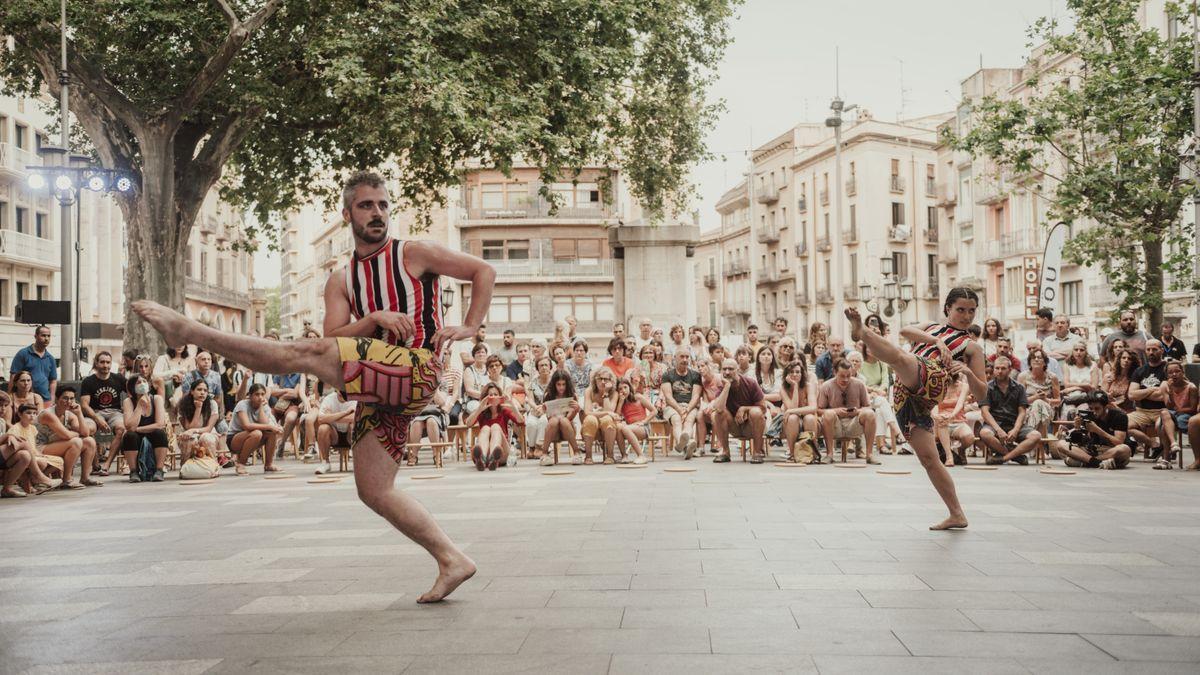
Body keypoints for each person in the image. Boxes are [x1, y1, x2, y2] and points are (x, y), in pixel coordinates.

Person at [845, 289, 987, 531]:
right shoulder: (931, 328)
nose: (966, 316)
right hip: (906, 397)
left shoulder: (972, 348)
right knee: (930, 460)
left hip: (932, 379)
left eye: (971, 310)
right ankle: (957, 514)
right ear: (948, 309)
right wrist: (935, 341)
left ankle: (863, 333)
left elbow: (983, 393)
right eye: (960, 310)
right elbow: (904, 331)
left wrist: (968, 373)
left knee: (901, 358)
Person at [979, 357, 1042, 465]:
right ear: (993, 369)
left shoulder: (1019, 387)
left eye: (1003, 368)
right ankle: (1016, 456)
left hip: (1014, 423)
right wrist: (998, 430)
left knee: (1036, 436)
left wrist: (1016, 430)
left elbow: (1022, 412)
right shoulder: (987, 387)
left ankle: (1004, 458)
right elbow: (985, 412)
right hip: (995, 424)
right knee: (984, 433)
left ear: (1010, 369)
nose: (999, 371)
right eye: (997, 368)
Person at [36, 387, 100, 489]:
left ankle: (85, 478)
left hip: (56, 445)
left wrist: (79, 413)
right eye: (65, 398)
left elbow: (85, 433)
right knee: (76, 442)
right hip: (40, 448)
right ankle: (67, 480)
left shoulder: (69, 414)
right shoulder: (48, 414)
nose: (69, 401)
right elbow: (66, 435)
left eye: (72, 398)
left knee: (89, 441)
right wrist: (76, 433)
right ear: (57, 399)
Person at [818, 358, 878, 465]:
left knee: (870, 414)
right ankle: (829, 454)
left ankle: (869, 455)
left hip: (854, 424)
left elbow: (868, 407)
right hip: (835, 425)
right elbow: (819, 410)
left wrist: (857, 411)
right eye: (842, 376)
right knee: (828, 414)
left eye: (848, 376)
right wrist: (836, 411)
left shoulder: (859, 384)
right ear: (835, 372)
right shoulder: (826, 386)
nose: (845, 379)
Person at [1050, 391, 1131, 469]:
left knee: (1124, 449)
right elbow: (1081, 441)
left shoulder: (1119, 416)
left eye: (1097, 408)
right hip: (1092, 450)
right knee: (1061, 444)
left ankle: (1085, 462)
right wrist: (1077, 429)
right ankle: (1098, 463)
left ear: (1106, 407)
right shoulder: (1088, 415)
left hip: (1110, 450)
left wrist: (1098, 431)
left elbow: (1119, 442)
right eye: (1091, 408)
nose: (1094, 412)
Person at [711, 358, 769, 463]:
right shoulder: (722, 386)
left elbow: (763, 408)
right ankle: (725, 452)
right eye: (724, 369)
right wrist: (727, 387)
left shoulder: (750, 383)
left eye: (731, 369)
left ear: (737, 370)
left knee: (755, 412)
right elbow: (718, 409)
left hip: (752, 425)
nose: (727, 372)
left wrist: (744, 408)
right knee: (718, 414)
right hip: (735, 425)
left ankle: (757, 453)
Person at [80, 351, 127, 476]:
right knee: (87, 430)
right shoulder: (88, 381)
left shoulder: (118, 378)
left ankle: (106, 465)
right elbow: (84, 405)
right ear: (96, 363)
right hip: (95, 412)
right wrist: (97, 419)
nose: (105, 365)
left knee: (121, 429)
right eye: (102, 362)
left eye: (108, 362)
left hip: (115, 412)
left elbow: (132, 391)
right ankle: (95, 465)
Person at [858, 344, 906, 454]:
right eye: (868, 347)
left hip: (878, 396)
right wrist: (872, 391)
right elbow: (860, 383)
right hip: (865, 396)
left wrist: (879, 391)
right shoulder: (861, 364)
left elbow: (885, 382)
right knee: (883, 402)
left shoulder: (881, 364)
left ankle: (881, 446)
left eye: (873, 347)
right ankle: (896, 431)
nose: (870, 349)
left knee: (880, 410)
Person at [120, 375, 169, 482]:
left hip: (152, 433)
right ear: (133, 387)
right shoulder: (128, 402)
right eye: (138, 382)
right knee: (129, 436)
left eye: (144, 381)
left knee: (160, 433)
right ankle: (134, 471)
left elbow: (160, 424)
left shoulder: (156, 399)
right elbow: (129, 426)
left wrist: (138, 429)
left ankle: (159, 470)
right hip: (136, 437)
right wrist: (139, 406)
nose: (142, 384)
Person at [1127, 339, 1169, 457]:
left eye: (1154, 349)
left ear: (1161, 350)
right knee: (1122, 423)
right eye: (1148, 349)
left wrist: (1141, 393)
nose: (1151, 352)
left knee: (1160, 425)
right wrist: (1151, 390)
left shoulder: (1168, 369)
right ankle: (1154, 444)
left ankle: (1166, 451)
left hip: (1162, 411)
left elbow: (1162, 395)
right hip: (1142, 412)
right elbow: (1131, 395)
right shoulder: (1139, 371)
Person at [465, 382, 520, 471]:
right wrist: (479, 409)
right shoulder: (482, 411)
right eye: (490, 395)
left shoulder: (504, 410)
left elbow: (521, 421)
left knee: (495, 426)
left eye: (495, 394)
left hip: (502, 452)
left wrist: (513, 406)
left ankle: (493, 457)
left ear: (499, 396)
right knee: (486, 428)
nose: (493, 397)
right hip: (485, 452)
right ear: (486, 397)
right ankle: (482, 458)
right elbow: (468, 423)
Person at [1157, 360, 1198, 469]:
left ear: (1183, 373)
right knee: (1164, 412)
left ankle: (1166, 459)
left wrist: (1180, 410)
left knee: (1164, 427)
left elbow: (1193, 409)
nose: (1174, 374)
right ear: (1167, 375)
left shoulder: (1191, 387)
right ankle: (1174, 444)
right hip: (1174, 414)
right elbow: (1169, 406)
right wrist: (1170, 391)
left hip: (1185, 415)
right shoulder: (1168, 386)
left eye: (1177, 371)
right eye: (1170, 372)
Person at [661, 351, 702, 459]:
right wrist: (680, 410)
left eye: (687, 357)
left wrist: (687, 409)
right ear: (675, 358)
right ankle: (687, 444)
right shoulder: (667, 375)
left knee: (689, 421)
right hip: (673, 406)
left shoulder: (695, 375)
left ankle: (682, 445)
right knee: (676, 420)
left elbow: (696, 396)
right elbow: (668, 397)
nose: (684, 359)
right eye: (682, 357)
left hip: (690, 406)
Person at [777, 361, 819, 463]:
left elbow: (813, 408)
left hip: (809, 421)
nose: (795, 374)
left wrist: (791, 411)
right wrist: (795, 386)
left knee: (809, 417)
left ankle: (812, 453)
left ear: (802, 374)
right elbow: (793, 408)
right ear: (787, 374)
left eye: (797, 372)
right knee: (792, 418)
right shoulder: (783, 389)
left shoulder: (808, 386)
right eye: (791, 372)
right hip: (790, 422)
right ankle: (792, 454)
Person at [176, 379, 222, 466]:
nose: (202, 393)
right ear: (192, 391)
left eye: (205, 390)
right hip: (187, 435)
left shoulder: (212, 404)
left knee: (206, 438)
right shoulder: (184, 404)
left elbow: (208, 429)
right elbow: (188, 428)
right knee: (190, 439)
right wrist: (198, 408)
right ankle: (185, 467)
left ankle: (213, 466)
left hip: (208, 434)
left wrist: (194, 431)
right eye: (199, 389)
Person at [932, 375, 975, 467]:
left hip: (958, 420)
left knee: (969, 438)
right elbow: (934, 405)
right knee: (941, 421)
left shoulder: (964, 386)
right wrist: (936, 416)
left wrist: (952, 415)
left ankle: (961, 450)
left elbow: (960, 404)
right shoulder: (937, 386)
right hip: (941, 421)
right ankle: (949, 456)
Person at [541, 370, 582, 465]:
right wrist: (545, 410)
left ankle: (577, 452)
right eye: (558, 384)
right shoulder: (549, 395)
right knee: (555, 421)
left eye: (563, 384)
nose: (561, 387)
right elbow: (550, 419)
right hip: (553, 429)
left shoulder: (572, 395)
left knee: (563, 421)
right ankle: (544, 454)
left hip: (567, 428)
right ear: (554, 384)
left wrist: (576, 410)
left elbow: (569, 419)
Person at [581, 366, 620, 464]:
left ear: (610, 381)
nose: (602, 382)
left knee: (607, 420)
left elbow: (610, 411)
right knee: (590, 419)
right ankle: (588, 457)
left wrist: (606, 393)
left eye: (605, 379)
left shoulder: (614, 393)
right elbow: (587, 412)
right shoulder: (589, 391)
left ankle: (610, 456)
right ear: (595, 380)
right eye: (600, 379)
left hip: (607, 426)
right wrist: (606, 413)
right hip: (591, 425)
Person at [313, 389, 357, 475]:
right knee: (323, 428)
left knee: (354, 425)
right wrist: (346, 412)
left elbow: (355, 418)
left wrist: (331, 417)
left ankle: (357, 461)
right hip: (334, 434)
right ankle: (325, 462)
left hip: (349, 433)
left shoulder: (355, 398)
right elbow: (321, 419)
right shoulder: (329, 399)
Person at [1017, 348, 1060, 435]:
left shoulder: (1052, 377)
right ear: (1029, 362)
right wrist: (1035, 397)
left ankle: (1033, 438)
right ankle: (1041, 441)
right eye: (1033, 358)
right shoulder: (1023, 377)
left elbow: (1058, 401)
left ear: (1045, 362)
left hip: (1047, 409)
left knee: (1039, 403)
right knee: (1037, 403)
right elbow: (1019, 401)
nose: (1036, 359)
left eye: (1039, 358)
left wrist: (1046, 400)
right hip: (1027, 409)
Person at [10, 325, 57, 402]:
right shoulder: (23, 354)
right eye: (43, 335)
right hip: (25, 399)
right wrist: (10, 397)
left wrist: (52, 399)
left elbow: (53, 381)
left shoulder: (50, 358)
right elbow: (13, 376)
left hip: (45, 399)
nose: (46, 338)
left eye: (48, 336)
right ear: (36, 336)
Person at [521, 356, 554, 461]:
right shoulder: (533, 382)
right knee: (531, 422)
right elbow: (529, 399)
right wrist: (536, 407)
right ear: (537, 368)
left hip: (549, 410)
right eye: (541, 365)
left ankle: (540, 447)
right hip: (535, 410)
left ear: (550, 367)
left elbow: (556, 398)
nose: (544, 367)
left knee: (544, 421)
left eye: (546, 365)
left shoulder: (554, 382)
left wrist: (544, 408)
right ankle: (531, 447)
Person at [613, 378, 651, 464]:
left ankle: (641, 456)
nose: (623, 390)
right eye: (620, 389)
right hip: (631, 428)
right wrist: (621, 402)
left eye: (625, 387)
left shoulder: (638, 397)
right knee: (619, 427)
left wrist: (644, 421)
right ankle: (624, 456)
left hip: (643, 427)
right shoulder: (621, 402)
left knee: (625, 428)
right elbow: (617, 417)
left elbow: (654, 411)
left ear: (629, 387)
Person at [462, 342, 489, 414]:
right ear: (473, 356)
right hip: (472, 401)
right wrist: (486, 396)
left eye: (483, 352)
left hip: (488, 399)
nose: (481, 354)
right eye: (478, 352)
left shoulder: (489, 369)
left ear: (486, 355)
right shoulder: (469, 370)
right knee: (480, 408)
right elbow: (469, 390)